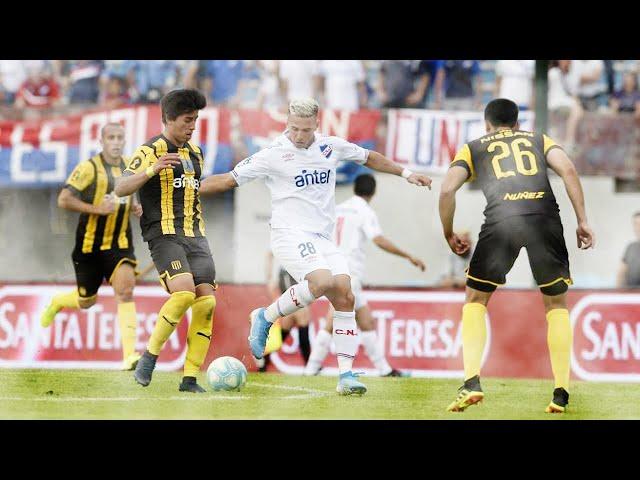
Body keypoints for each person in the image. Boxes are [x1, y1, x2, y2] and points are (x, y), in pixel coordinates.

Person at [199, 98, 432, 395]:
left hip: (322, 238)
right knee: (322, 281)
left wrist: (407, 174)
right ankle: (266, 316)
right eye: (294, 128)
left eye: (305, 130)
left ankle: (346, 376)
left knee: (345, 294)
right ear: (287, 123)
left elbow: (368, 157)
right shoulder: (272, 154)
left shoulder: (330, 146)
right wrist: (189, 189)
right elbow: (229, 179)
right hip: (289, 234)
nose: (299, 135)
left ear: (317, 125)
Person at [439, 98, 595, 414]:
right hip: (544, 218)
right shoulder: (539, 140)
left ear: (486, 124)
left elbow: (446, 191)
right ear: (518, 123)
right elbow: (567, 169)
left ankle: (471, 383)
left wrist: (448, 232)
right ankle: (561, 393)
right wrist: (582, 221)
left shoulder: (473, 147)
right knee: (556, 304)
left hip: (502, 220)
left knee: (475, 300)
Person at [114, 89, 216, 393]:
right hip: (164, 235)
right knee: (183, 295)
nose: (193, 126)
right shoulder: (149, 151)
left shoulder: (195, 153)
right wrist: (151, 170)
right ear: (169, 119)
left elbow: (193, 191)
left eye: (196, 120)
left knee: (206, 302)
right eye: (187, 120)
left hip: (196, 236)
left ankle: (189, 379)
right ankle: (149, 357)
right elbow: (121, 187)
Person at [40, 123, 143, 371]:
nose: (116, 142)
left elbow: (130, 198)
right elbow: (64, 199)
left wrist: (136, 209)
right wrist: (97, 209)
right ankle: (57, 302)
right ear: (102, 141)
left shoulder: (130, 168)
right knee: (87, 301)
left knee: (126, 292)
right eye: (111, 138)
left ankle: (130, 356)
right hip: (89, 246)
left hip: (119, 244)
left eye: (120, 137)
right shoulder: (88, 168)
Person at [304, 173, 426, 376]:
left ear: (354, 189)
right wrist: (408, 256)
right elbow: (378, 239)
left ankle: (384, 370)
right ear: (373, 192)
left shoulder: (339, 209)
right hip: (348, 273)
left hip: (333, 268)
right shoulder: (364, 211)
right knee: (332, 320)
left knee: (366, 321)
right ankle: (311, 368)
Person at [256, 251, 311, 372]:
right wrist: (270, 278)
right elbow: (269, 254)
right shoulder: (289, 243)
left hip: (288, 278)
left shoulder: (286, 247)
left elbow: (269, 254)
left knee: (285, 329)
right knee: (302, 319)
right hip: (291, 279)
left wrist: (270, 278)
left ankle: (262, 357)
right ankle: (311, 366)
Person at [616, 212, 640, 288]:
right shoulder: (630, 247)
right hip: (630, 294)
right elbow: (621, 273)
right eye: (635, 224)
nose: (638, 228)